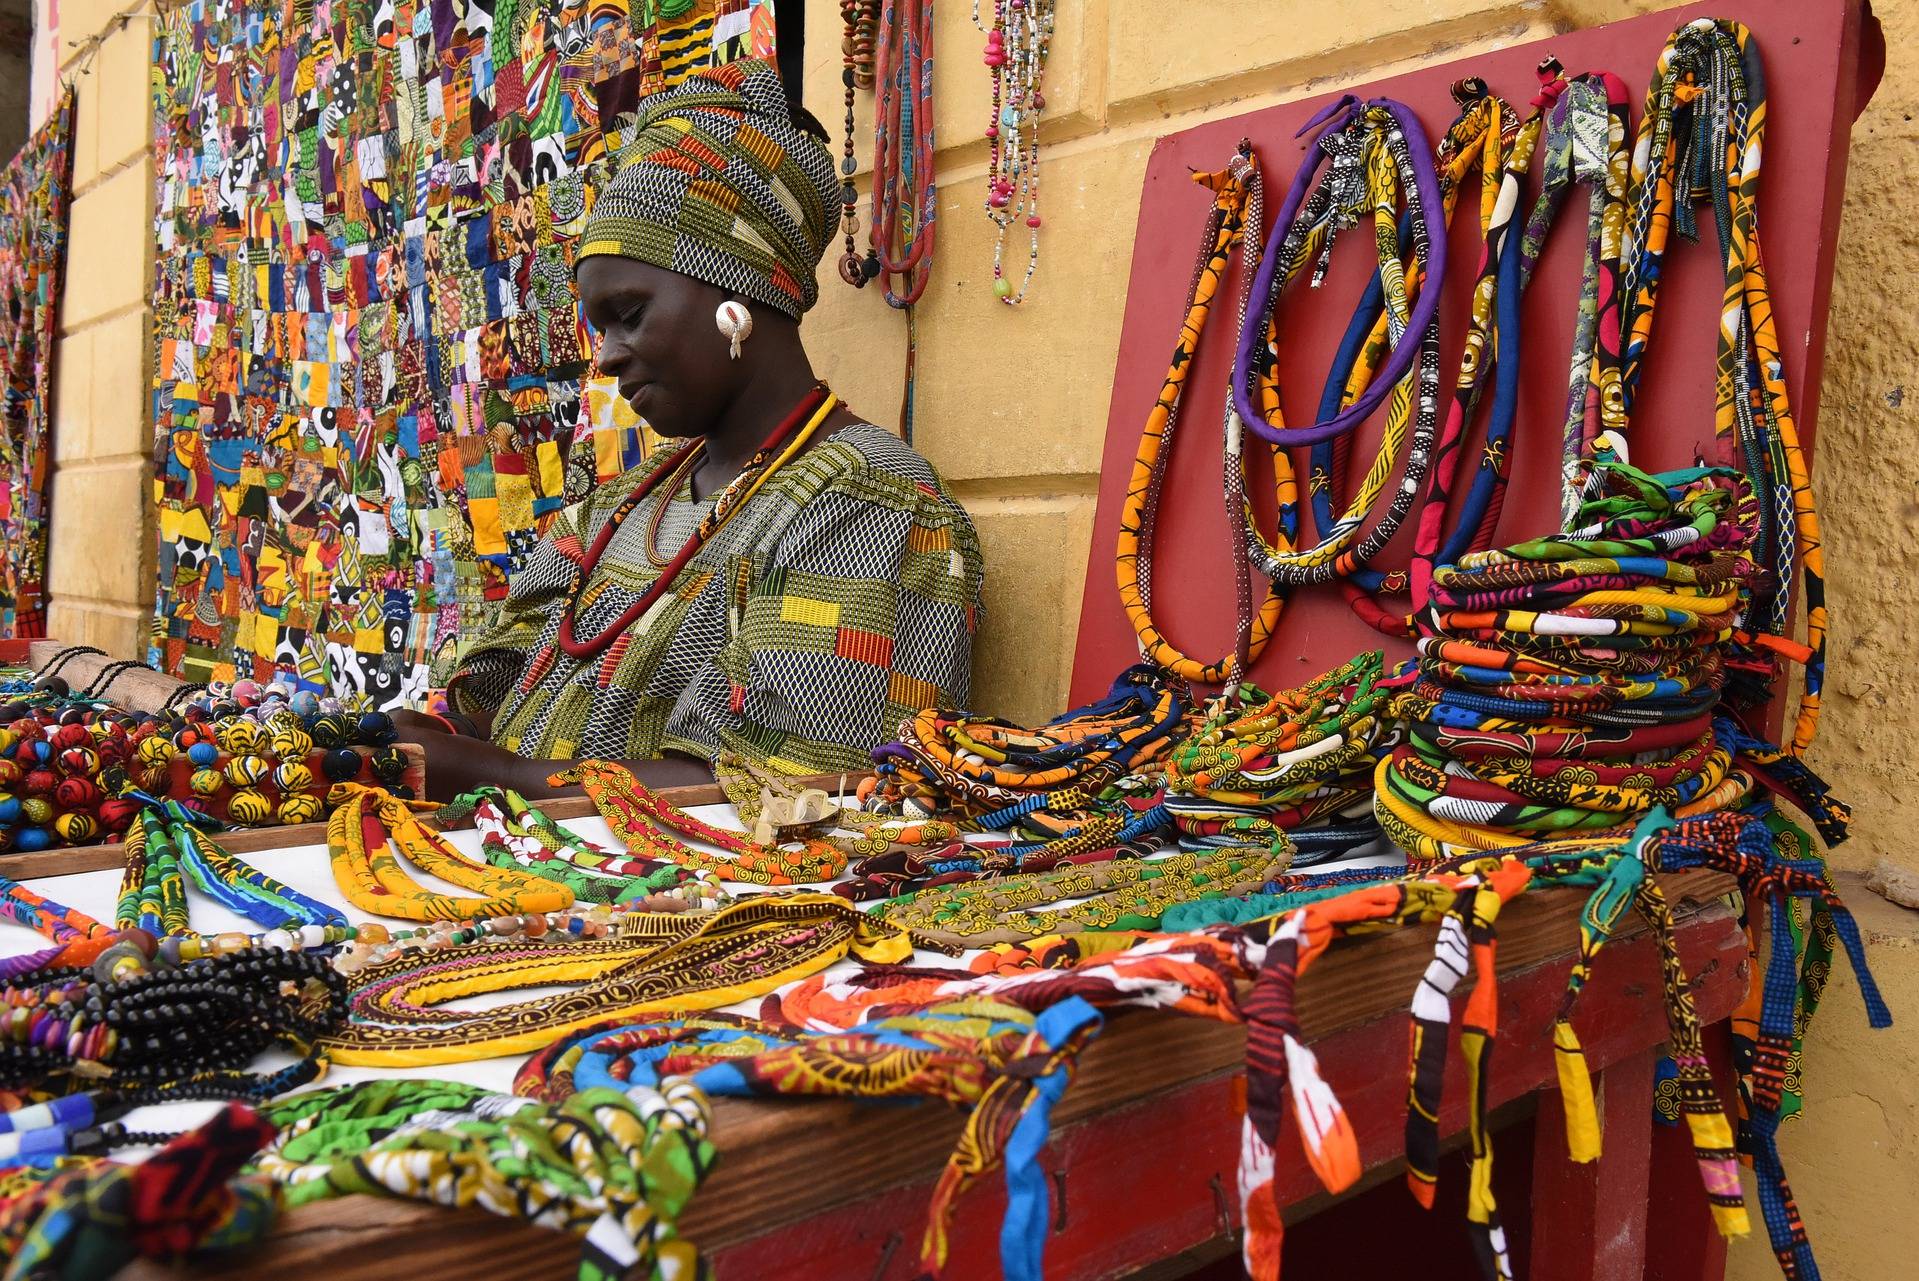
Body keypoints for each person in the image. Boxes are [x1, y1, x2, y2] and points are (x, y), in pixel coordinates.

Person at [396, 60, 983, 800]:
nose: (606, 355)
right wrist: (424, 738)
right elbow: (493, 693)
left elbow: (788, 790)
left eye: (629, 313)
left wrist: (504, 778)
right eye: (598, 326)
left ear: (738, 293)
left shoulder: (869, 505)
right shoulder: (617, 507)